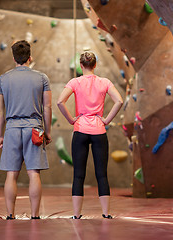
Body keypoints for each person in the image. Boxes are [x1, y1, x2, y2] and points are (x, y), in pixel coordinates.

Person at [57, 51, 123, 219]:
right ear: (95, 65)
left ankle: (76, 215)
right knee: (102, 174)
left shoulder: (75, 82)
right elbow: (119, 101)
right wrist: (106, 119)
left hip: (80, 130)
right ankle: (106, 213)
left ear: (81, 66)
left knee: (78, 174)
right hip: (99, 131)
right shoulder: (104, 82)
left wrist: (71, 120)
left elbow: (59, 102)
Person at [0, 40, 52, 220]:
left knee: (11, 174)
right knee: (34, 173)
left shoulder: (3, 79)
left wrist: (0, 135)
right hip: (35, 128)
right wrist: (47, 132)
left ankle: (10, 215)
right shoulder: (42, 78)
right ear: (30, 57)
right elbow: (48, 107)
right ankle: (35, 216)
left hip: (11, 129)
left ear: (14, 58)